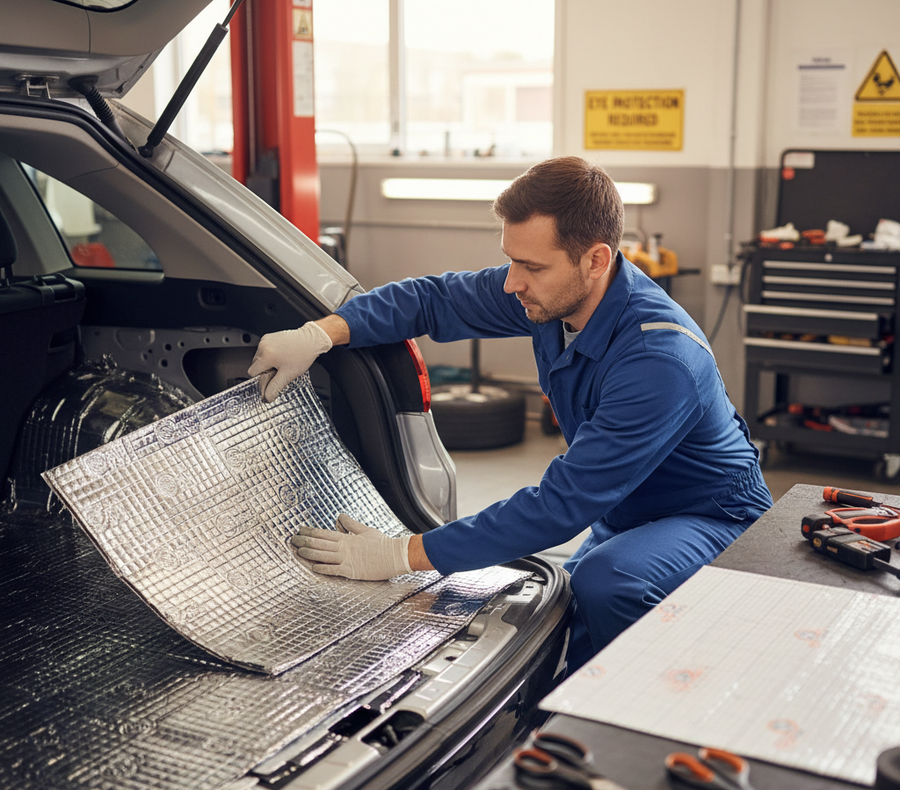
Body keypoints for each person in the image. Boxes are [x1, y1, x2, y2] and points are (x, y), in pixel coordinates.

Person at [248, 156, 772, 670]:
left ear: (595, 260)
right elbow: (433, 301)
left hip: (707, 513)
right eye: (512, 259)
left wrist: (401, 555)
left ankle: (625, 727)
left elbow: (559, 507)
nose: (511, 282)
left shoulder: (661, 360)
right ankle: (564, 713)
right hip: (623, 507)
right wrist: (321, 334)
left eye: (532, 266)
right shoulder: (551, 296)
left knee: (611, 582)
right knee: (567, 593)